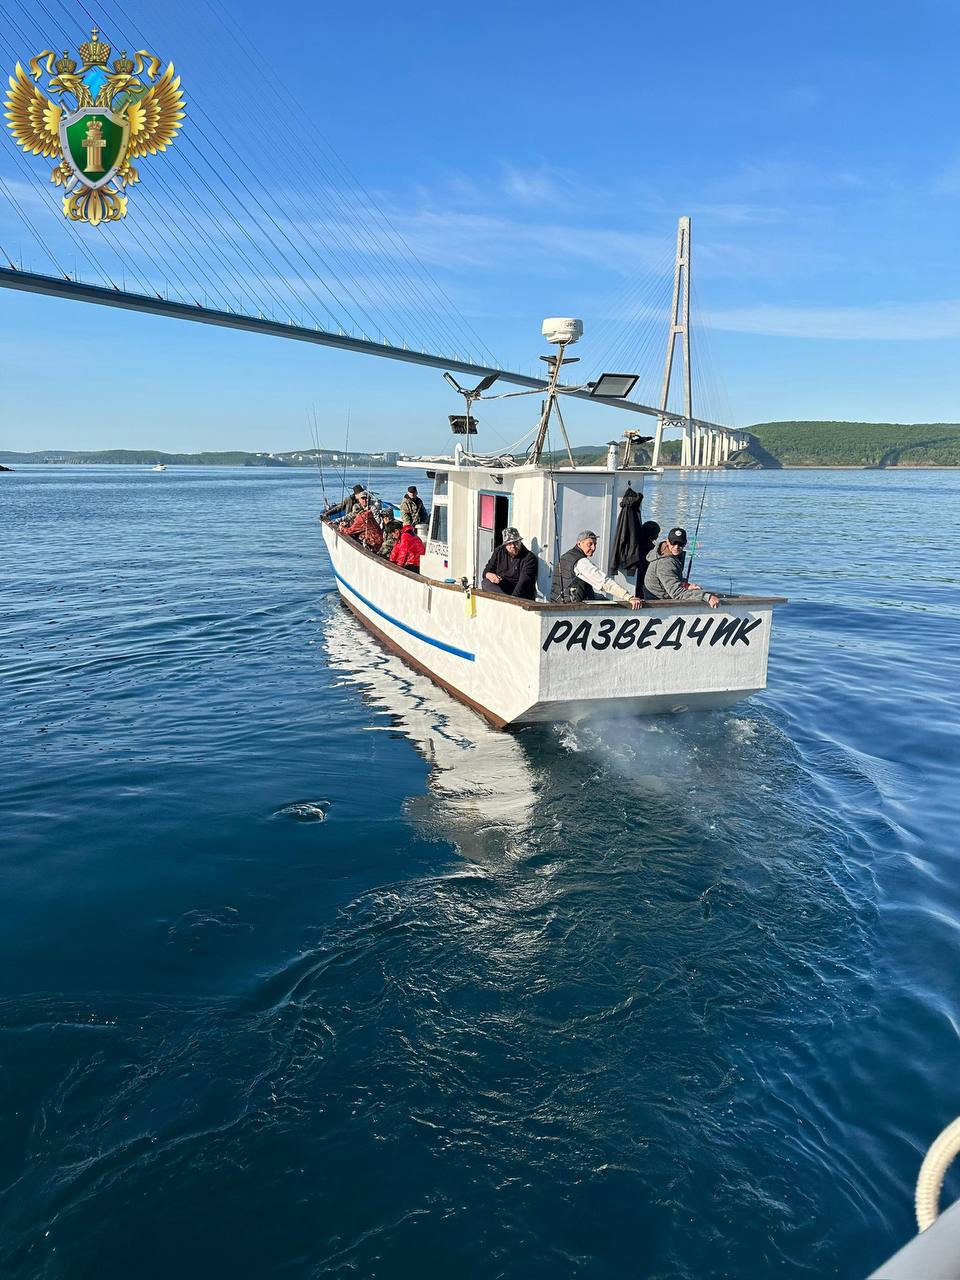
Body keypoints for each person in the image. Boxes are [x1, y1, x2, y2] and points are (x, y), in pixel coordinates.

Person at [550, 531, 643, 609]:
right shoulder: (581, 562)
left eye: (595, 544)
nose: (593, 548)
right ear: (579, 544)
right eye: (589, 544)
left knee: (603, 599)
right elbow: (604, 582)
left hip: (556, 601)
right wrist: (628, 597)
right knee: (613, 607)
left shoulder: (566, 556)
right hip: (573, 606)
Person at [643, 526, 720, 608]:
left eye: (680, 544)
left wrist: (685, 585)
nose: (676, 547)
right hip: (658, 604)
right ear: (668, 542)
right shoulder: (665, 562)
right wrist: (707, 597)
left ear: (685, 544)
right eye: (674, 542)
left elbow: (670, 579)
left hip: (664, 596)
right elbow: (677, 593)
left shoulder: (666, 554)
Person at [481, 527, 537, 600]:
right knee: (485, 582)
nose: (513, 546)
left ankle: (506, 601)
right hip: (502, 589)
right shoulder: (499, 551)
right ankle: (505, 601)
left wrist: (512, 600)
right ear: (505, 545)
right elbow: (487, 570)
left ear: (520, 541)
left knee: (522, 590)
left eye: (515, 542)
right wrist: (489, 575)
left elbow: (523, 582)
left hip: (520, 593)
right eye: (509, 544)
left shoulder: (529, 558)